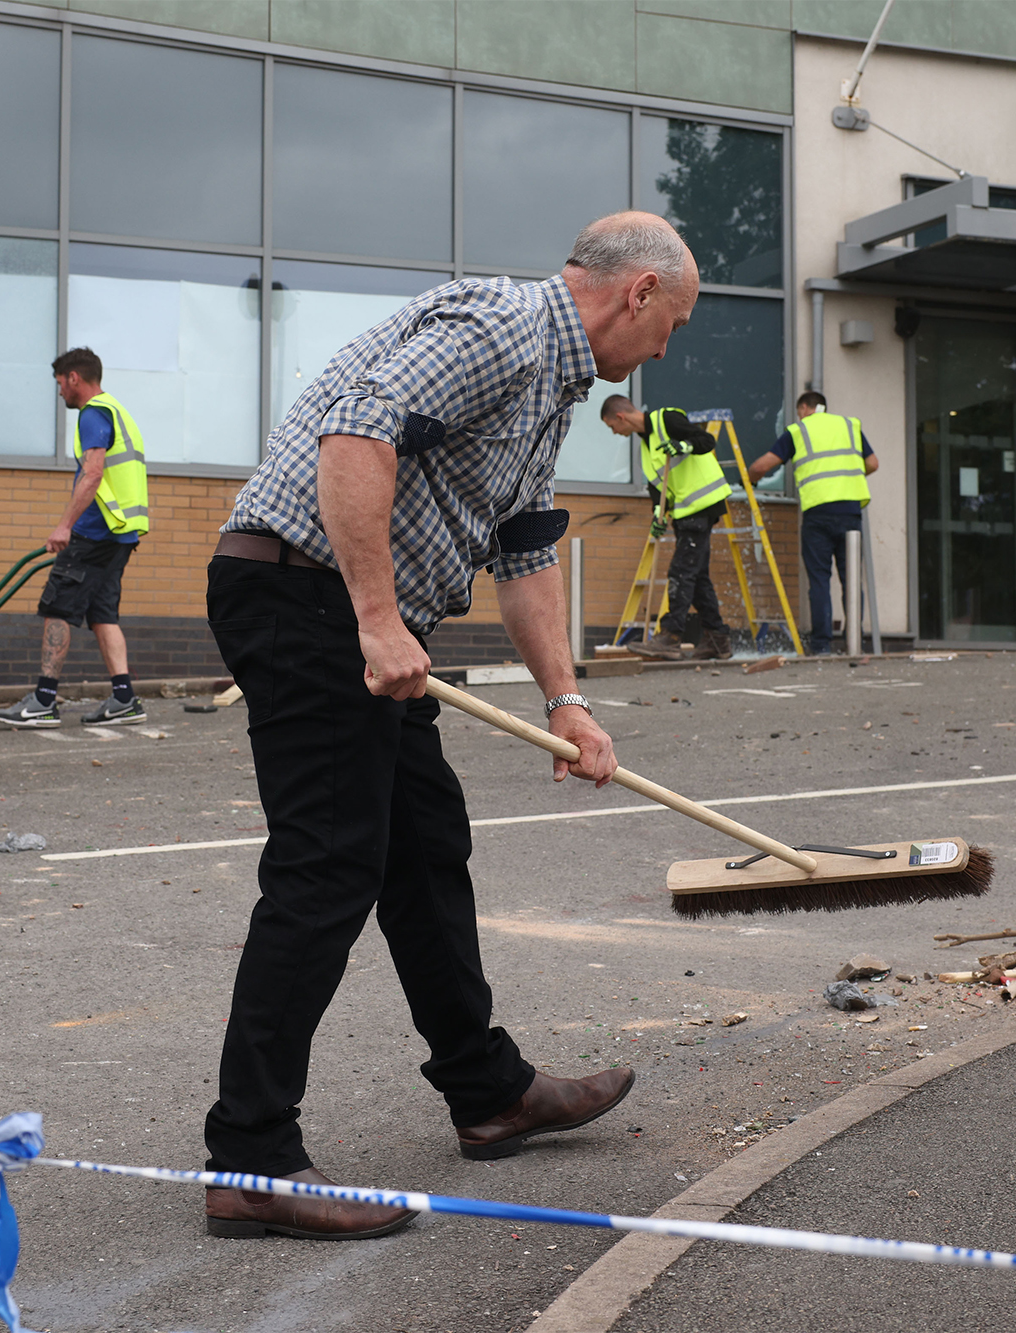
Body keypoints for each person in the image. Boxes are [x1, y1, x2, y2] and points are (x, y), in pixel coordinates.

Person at [200, 212, 698, 1241]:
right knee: (328, 862)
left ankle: (488, 1091)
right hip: (303, 598)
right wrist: (375, 620)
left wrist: (567, 703)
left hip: (359, 619)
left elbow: (520, 557)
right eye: (672, 327)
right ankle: (248, 1156)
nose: (663, 352)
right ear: (637, 291)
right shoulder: (504, 329)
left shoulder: (550, 388)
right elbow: (355, 432)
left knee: (424, 848)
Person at [0, 348, 149, 728]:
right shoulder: (117, 409)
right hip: (121, 533)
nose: (60, 391)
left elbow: (93, 473)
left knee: (59, 608)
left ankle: (44, 700)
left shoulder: (94, 413)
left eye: (60, 383)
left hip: (96, 531)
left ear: (74, 378)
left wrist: (64, 525)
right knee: (102, 614)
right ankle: (125, 699)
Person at [747, 391, 877, 655]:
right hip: (850, 512)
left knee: (819, 580)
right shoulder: (849, 425)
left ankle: (821, 646)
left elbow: (763, 466)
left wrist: (747, 479)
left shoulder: (799, 430)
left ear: (805, 408)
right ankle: (855, 643)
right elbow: (872, 463)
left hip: (818, 513)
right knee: (851, 580)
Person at [602, 399, 733, 660]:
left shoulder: (668, 420)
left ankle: (670, 636)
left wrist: (683, 444)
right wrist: (657, 516)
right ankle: (717, 638)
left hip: (702, 505)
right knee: (696, 577)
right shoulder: (645, 448)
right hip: (686, 511)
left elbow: (706, 441)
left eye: (611, 426)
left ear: (621, 417)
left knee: (681, 573)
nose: (614, 432)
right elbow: (657, 489)